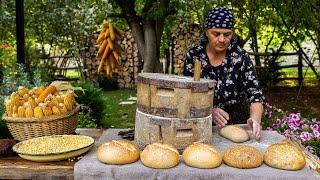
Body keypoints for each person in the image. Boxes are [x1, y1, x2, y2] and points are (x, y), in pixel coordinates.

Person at [183, 7, 265, 140]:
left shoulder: (240, 57)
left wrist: (255, 119)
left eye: (227, 34)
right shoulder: (194, 56)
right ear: (206, 32)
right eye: (216, 34)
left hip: (237, 124)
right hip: (201, 123)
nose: (222, 39)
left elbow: (255, 94)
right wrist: (210, 110)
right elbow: (186, 93)